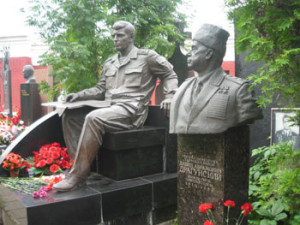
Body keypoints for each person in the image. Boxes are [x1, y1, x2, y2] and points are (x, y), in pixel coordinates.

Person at [53, 20, 178, 191]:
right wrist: (79, 96)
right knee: (71, 115)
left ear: (131, 37)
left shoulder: (147, 56)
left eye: (120, 35)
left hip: (132, 110)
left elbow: (170, 74)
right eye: (113, 36)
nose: (115, 39)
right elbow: (100, 89)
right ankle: (84, 170)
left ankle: (77, 176)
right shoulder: (110, 62)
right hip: (109, 106)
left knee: (93, 118)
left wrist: (170, 96)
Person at [169, 24, 262, 134]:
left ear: (208, 53)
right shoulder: (184, 87)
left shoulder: (238, 90)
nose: (189, 53)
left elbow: (249, 115)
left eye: (194, 48)